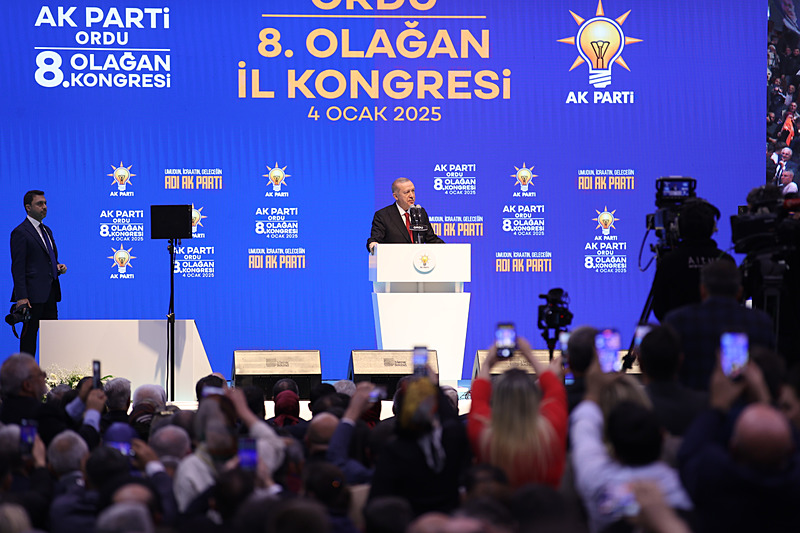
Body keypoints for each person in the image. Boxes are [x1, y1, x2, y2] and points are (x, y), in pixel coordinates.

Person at [467, 337, 568, 489]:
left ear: (497, 401)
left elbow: (479, 397)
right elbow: (555, 389)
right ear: (534, 399)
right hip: (545, 503)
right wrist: (529, 354)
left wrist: (487, 362)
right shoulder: (551, 430)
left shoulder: (483, 436)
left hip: (500, 504)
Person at [664, 260, 776, 391]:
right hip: (745, 402)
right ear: (739, 292)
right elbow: (769, 371)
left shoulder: (677, 320)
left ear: (702, 290)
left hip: (689, 401)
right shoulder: (761, 322)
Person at [651, 198, 733, 321]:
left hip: (677, 330)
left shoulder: (669, 262)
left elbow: (659, 307)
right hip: (719, 331)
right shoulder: (726, 261)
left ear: (678, 227)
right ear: (713, 227)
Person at [10, 190, 67, 357]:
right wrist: (22, 297)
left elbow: (46, 260)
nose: (44, 207)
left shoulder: (47, 230)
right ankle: (25, 372)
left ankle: (53, 371)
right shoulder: (20, 232)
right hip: (31, 297)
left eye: (45, 203)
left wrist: (57, 266)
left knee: (53, 338)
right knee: (29, 338)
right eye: (39, 204)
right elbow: (18, 267)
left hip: (50, 293)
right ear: (28, 207)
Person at [366, 178, 444, 253]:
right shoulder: (383, 215)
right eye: (407, 192)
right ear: (396, 196)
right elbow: (375, 239)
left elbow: (430, 238)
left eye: (413, 191)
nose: (412, 196)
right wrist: (373, 244)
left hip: (417, 259)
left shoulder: (420, 212)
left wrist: (447, 248)